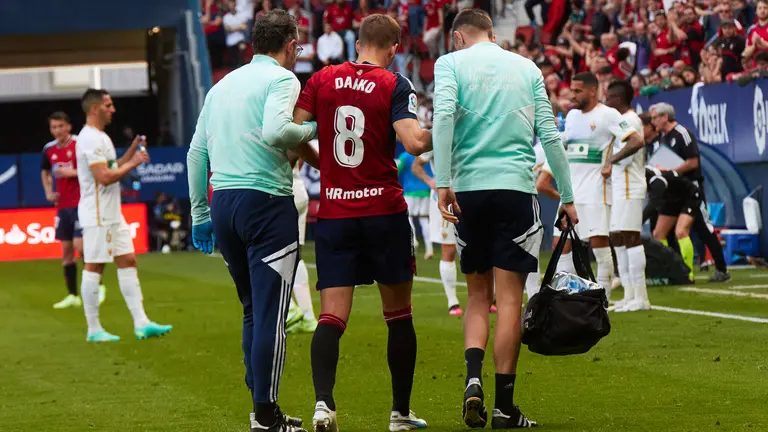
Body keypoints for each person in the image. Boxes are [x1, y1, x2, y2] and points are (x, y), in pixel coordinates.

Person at [432, 9, 576, 429]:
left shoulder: (450, 63)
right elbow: (549, 134)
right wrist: (566, 196)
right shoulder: (527, 66)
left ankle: (473, 379)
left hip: (468, 190)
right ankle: (504, 407)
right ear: (493, 35)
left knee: (478, 296)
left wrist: (443, 180)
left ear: (458, 37)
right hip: (515, 188)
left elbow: (442, 119)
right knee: (510, 298)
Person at [293, 13, 433, 432]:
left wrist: (327, 167)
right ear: (393, 49)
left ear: (356, 43)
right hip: (384, 213)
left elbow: (292, 133)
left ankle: (323, 406)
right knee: (399, 315)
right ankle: (399, 414)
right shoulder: (395, 84)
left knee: (331, 318)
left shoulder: (320, 80)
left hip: (335, 213)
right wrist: (449, 124)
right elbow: (413, 142)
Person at [186, 10, 319, 432]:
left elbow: (196, 154)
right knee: (270, 315)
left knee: (251, 310)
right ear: (291, 44)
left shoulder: (221, 86)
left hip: (223, 203)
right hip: (265, 204)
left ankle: (260, 403)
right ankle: (266, 415)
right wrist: (315, 129)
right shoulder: (282, 79)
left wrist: (200, 214)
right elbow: (277, 132)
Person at [75, 88, 172, 344]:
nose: (113, 109)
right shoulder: (88, 139)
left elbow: (112, 167)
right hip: (97, 214)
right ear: (95, 108)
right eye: (108, 105)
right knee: (94, 265)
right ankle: (93, 328)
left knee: (128, 259)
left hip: (111, 212)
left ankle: (142, 323)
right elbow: (104, 177)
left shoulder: (101, 137)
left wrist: (130, 152)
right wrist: (136, 161)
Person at [560, 72, 644, 300]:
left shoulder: (608, 115)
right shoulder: (572, 116)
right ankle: (565, 299)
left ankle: (602, 298)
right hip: (570, 194)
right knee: (561, 247)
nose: (573, 94)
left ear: (592, 90)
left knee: (599, 247)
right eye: (571, 89)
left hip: (596, 191)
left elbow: (637, 140)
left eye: (578, 90)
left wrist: (610, 161)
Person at [649, 103, 731, 282]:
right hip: (673, 191)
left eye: (655, 117)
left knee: (695, 230)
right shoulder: (663, 138)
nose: (653, 121)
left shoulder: (682, 134)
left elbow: (693, 162)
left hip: (689, 189)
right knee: (658, 234)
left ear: (665, 117)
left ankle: (715, 270)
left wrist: (671, 171)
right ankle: (669, 271)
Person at [41, 112, 106, 309]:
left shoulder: (80, 144)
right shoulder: (48, 149)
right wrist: (48, 192)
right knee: (66, 252)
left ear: (69, 127)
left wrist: (71, 173)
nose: (57, 130)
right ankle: (72, 295)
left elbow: (94, 169)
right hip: (63, 207)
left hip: (82, 203)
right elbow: (44, 171)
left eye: (61, 126)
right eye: (54, 127)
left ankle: (98, 285)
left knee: (80, 246)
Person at [602, 80, 650, 312]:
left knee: (631, 237)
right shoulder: (623, 121)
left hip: (630, 185)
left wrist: (610, 161)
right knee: (618, 238)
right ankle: (630, 294)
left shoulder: (631, 120)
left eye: (609, 98)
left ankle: (641, 296)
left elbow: (633, 150)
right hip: (619, 186)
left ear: (618, 99)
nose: (606, 101)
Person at [412, 151, 462, 315]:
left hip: (471, 192)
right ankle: (452, 301)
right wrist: (431, 182)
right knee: (449, 249)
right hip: (445, 197)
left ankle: (490, 297)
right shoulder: (437, 134)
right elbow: (416, 165)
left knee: (480, 246)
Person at [286, 158, 318, 334]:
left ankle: (290, 309)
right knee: (295, 257)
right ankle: (308, 317)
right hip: (298, 188)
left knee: (259, 254)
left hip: (280, 191)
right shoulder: (293, 129)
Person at [397, 151, 433, 259]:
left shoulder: (405, 156)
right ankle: (429, 249)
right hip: (426, 190)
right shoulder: (427, 153)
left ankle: (413, 240)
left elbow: (396, 170)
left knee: (408, 217)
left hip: (410, 192)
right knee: (424, 219)